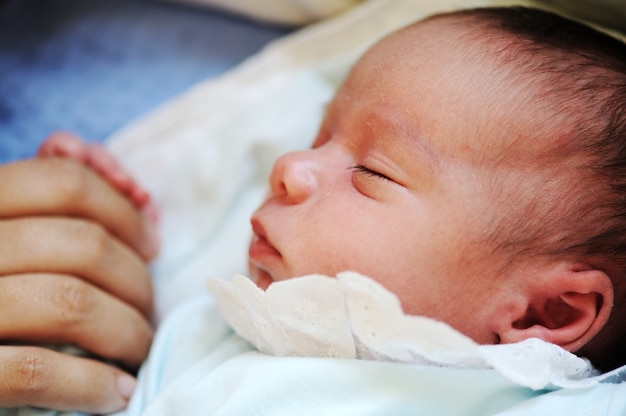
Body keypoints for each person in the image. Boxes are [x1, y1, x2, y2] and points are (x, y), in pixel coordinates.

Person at [6, 4, 626, 414]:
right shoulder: (221, 327)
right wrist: (107, 205)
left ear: (547, 311)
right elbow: (84, 354)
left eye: (370, 172)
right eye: (316, 136)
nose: (290, 167)